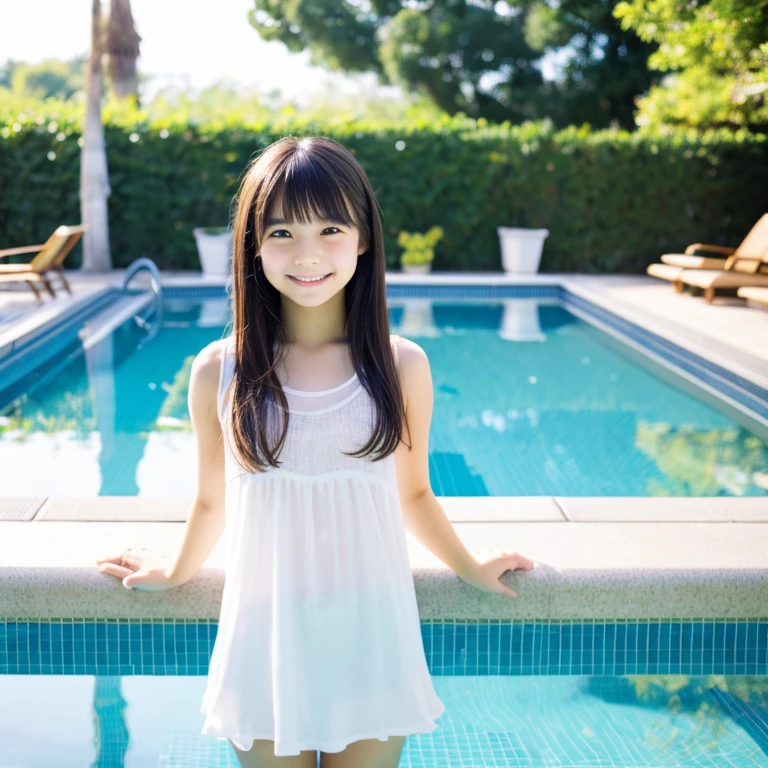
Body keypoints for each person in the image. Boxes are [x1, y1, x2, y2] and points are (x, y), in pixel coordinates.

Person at [96, 135, 535, 767]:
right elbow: (211, 499)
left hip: (371, 633)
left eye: (330, 228)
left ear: (362, 239)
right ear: (253, 245)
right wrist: (176, 569)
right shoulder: (219, 370)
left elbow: (413, 492)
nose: (307, 254)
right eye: (281, 234)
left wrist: (469, 566)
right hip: (264, 636)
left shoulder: (400, 364)